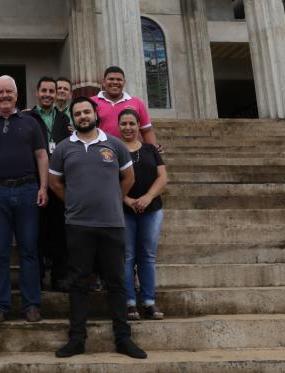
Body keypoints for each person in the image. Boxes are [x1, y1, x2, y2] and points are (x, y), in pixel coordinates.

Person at [48, 97, 146, 359]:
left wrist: (114, 198)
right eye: (77, 113)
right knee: (79, 283)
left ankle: (123, 339)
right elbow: (55, 183)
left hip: (112, 224)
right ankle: (77, 338)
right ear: (72, 119)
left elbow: (129, 178)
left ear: (95, 114)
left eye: (86, 111)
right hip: (78, 225)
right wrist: (73, 201)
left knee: (116, 282)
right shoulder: (63, 149)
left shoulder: (114, 145)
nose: (83, 116)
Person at [0, 75, 48, 324]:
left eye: (9, 92)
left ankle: (32, 304)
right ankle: (0, 305)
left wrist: (43, 187)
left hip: (28, 190)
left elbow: (41, 156)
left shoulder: (30, 123)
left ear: (16, 95)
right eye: (0, 92)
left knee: (29, 250)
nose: (5, 96)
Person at [118, 108, 168, 321]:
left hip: (152, 210)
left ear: (138, 126)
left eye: (132, 123)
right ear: (118, 127)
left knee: (147, 256)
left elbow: (163, 177)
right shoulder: (114, 150)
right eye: (124, 124)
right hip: (124, 210)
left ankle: (148, 301)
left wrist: (148, 197)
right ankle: (130, 303)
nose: (128, 128)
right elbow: (111, 181)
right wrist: (128, 200)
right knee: (127, 257)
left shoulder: (150, 150)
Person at [27, 76, 71, 292]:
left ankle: (60, 276)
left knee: (60, 231)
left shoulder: (64, 119)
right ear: (37, 92)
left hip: (60, 183)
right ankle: (37, 276)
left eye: (51, 91)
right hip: (35, 182)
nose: (47, 94)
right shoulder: (27, 117)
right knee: (36, 231)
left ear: (56, 94)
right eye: (43, 90)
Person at [91, 66, 160, 151]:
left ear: (124, 82)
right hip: (101, 152)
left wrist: (153, 151)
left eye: (119, 79)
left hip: (131, 152)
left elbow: (146, 130)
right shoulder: (91, 102)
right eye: (111, 79)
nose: (115, 82)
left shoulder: (137, 103)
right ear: (103, 82)